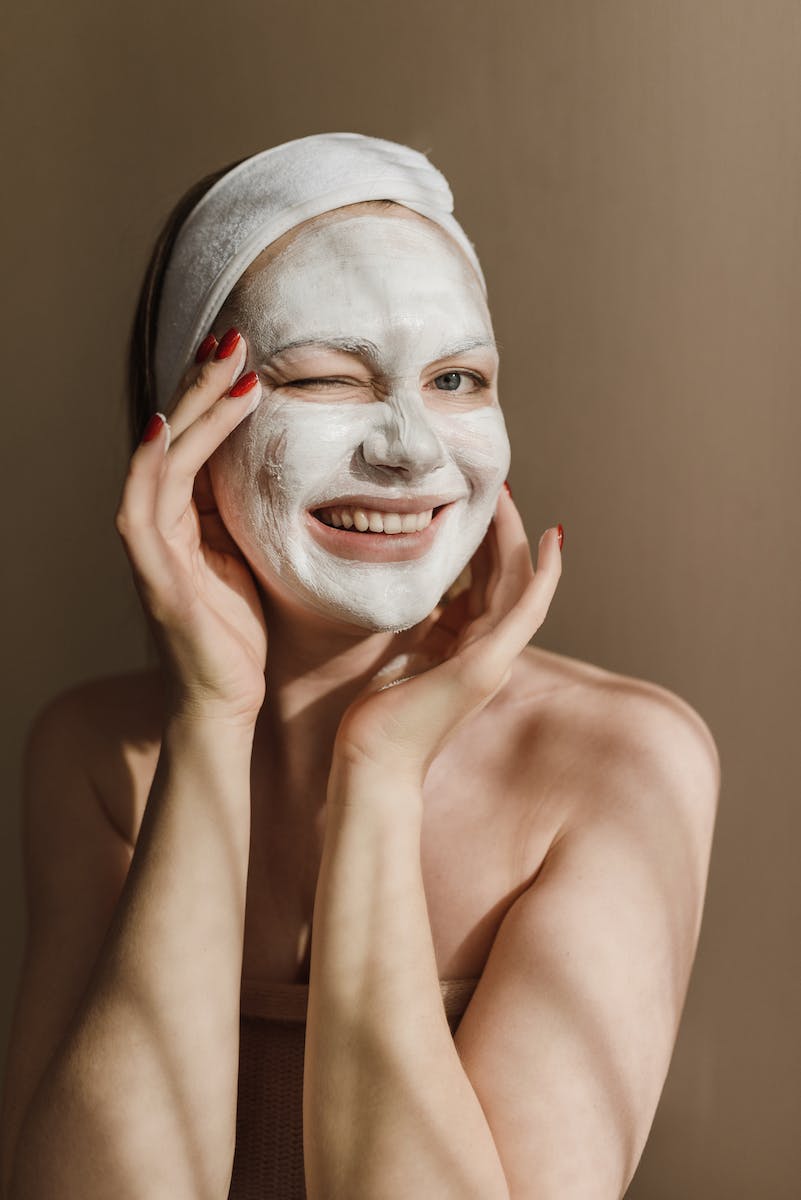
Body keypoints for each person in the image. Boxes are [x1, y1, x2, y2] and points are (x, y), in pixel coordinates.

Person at [0, 133, 720, 1200]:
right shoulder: (102, 759)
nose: (414, 448)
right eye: (330, 377)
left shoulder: (622, 762)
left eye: (458, 378)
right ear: (186, 439)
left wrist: (378, 776)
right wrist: (211, 715)